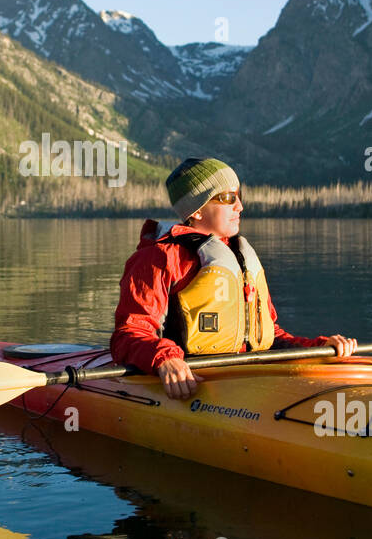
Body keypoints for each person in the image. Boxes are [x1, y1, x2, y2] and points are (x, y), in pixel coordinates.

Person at [111, 157, 357, 400]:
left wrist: (319, 349)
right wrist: (165, 359)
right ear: (196, 211)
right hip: (195, 382)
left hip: (250, 379)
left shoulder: (239, 256)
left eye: (239, 196)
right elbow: (129, 334)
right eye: (228, 198)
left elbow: (270, 337)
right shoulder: (158, 258)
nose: (239, 206)